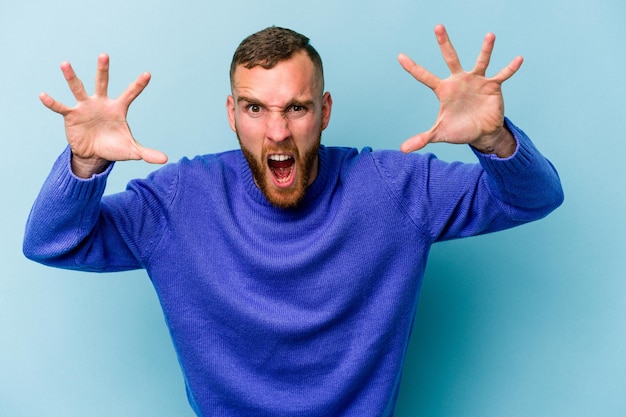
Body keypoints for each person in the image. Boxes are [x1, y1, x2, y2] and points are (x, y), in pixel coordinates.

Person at [23, 25, 563, 416]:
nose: (277, 133)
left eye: (296, 108)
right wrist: (86, 164)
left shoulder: (393, 189)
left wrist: (494, 139)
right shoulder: (179, 201)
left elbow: (533, 197)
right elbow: (51, 242)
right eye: (255, 108)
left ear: (324, 111)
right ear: (232, 114)